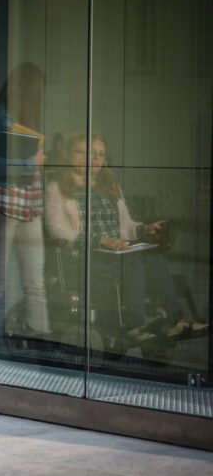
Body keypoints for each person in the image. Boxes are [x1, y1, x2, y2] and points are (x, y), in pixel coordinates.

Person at [44, 133, 205, 341]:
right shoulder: (57, 187)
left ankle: (174, 322)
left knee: (153, 257)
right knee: (132, 264)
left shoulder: (109, 186)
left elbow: (126, 225)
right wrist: (100, 240)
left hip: (116, 251)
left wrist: (143, 230)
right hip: (84, 257)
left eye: (100, 154)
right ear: (68, 154)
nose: (94, 159)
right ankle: (133, 327)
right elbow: (56, 229)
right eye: (84, 152)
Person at [0, 62, 51, 353]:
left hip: (30, 207)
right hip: (2, 206)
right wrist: (28, 164)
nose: (39, 98)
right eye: (36, 92)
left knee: (35, 283)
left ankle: (41, 340)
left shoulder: (34, 123)